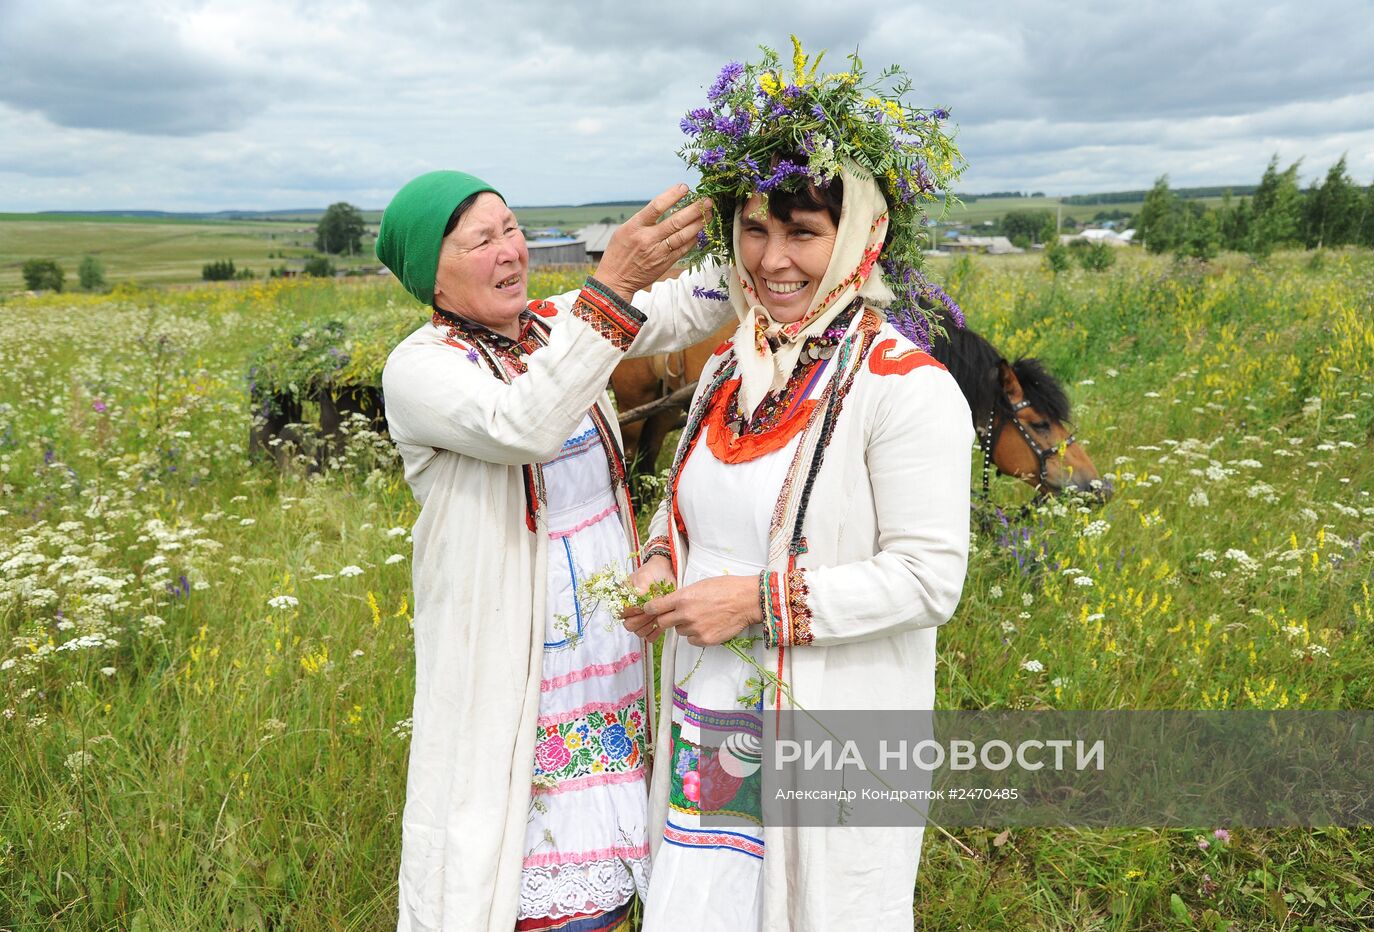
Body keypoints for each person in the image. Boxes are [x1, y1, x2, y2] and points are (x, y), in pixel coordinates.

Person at [622, 44, 973, 931]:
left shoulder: (906, 385)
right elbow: (681, 500)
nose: (773, 259)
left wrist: (755, 602)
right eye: (754, 229)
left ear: (864, 238)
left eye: (804, 233)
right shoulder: (728, 371)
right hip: (713, 715)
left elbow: (931, 578)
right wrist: (659, 558)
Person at [377, 169, 729, 932]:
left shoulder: (552, 323)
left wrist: (758, 232)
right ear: (431, 278)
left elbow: (679, 307)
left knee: (618, 860)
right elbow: (526, 423)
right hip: (519, 652)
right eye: (481, 241)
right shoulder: (421, 369)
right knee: (524, 863)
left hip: (607, 638)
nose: (510, 251)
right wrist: (613, 284)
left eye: (511, 229)